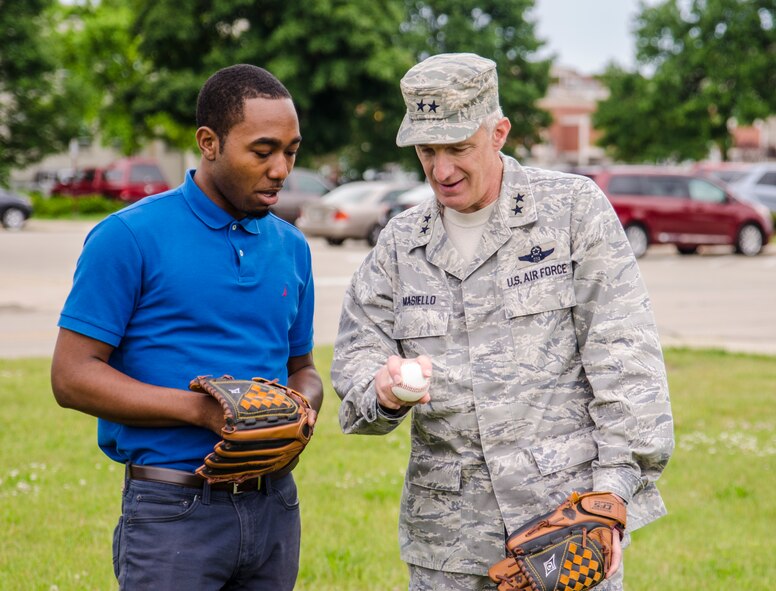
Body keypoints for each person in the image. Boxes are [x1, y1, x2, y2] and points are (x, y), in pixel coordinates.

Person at [331, 53, 673, 591]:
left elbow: (626, 361)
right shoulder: (400, 244)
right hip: (447, 545)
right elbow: (355, 361)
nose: (442, 171)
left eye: (459, 148)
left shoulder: (571, 212)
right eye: (427, 151)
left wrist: (609, 500)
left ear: (499, 132)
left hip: (567, 526)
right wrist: (381, 389)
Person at [51, 64, 323, 590]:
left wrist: (300, 407)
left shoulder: (292, 246)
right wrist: (202, 412)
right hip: (172, 510)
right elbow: (71, 376)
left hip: (275, 508)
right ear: (209, 142)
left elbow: (303, 367)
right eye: (263, 151)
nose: (281, 168)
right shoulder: (128, 237)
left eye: (291, 151)